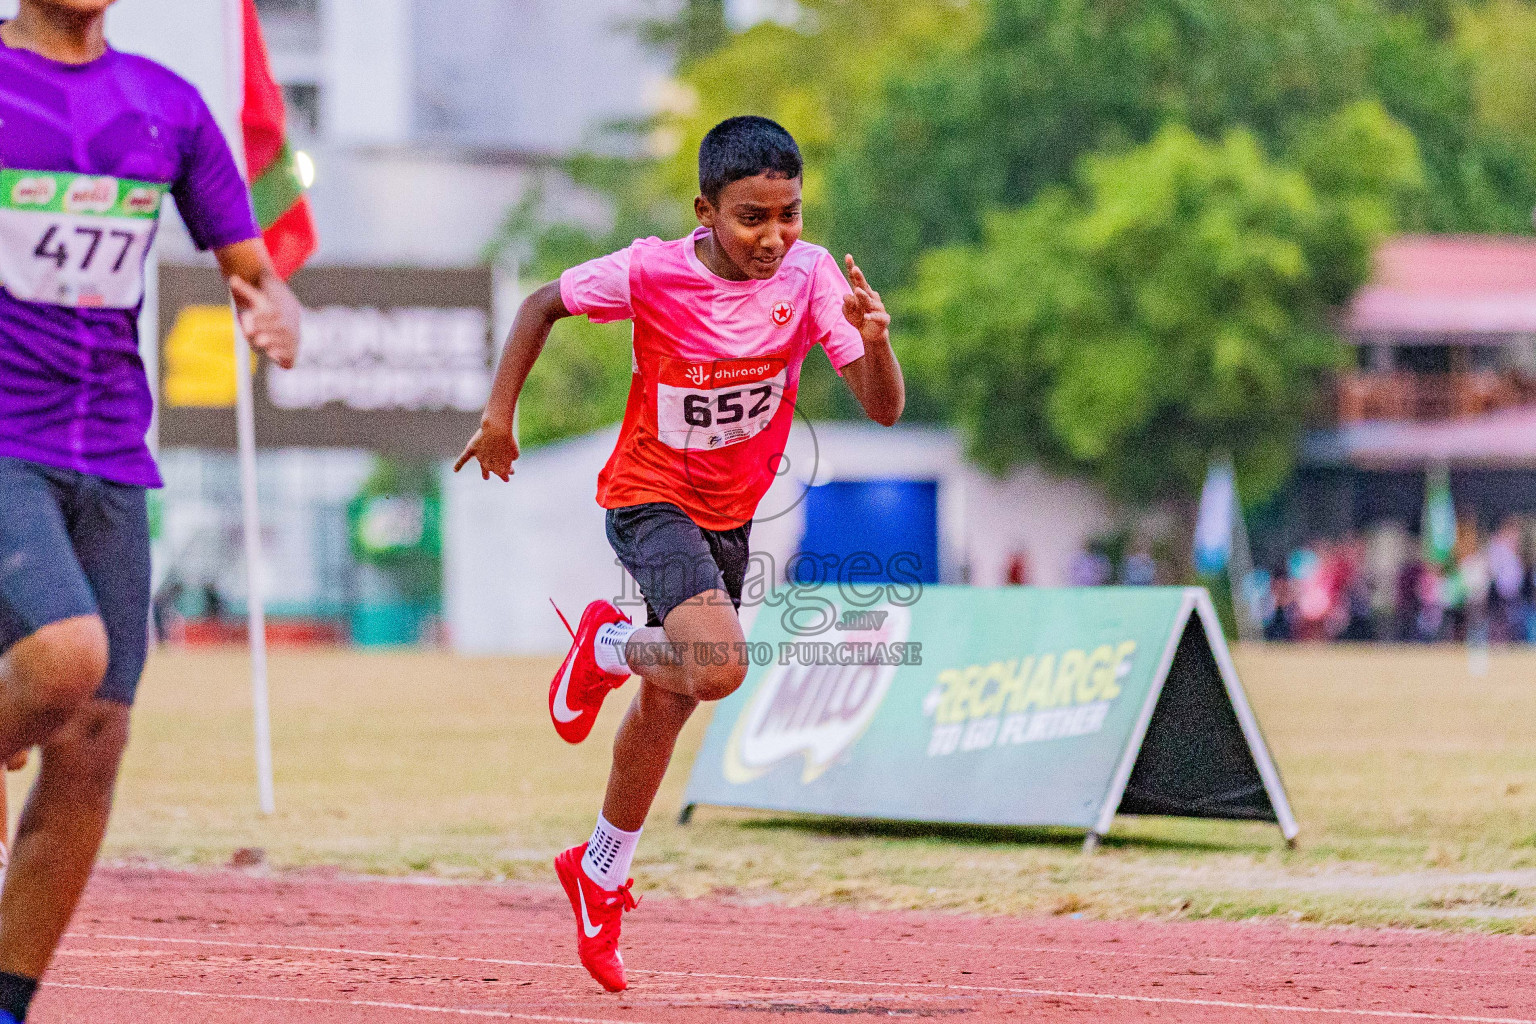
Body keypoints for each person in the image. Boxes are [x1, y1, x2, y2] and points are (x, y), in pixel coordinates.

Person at [456, 115, 904, 991]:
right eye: (751, 218)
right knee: (720, 666)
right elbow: (540, 302)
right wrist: (499, 417)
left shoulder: (813, 278)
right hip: (648, 497)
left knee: (671, 704)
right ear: (705, 210)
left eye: (790, 213)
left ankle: (600, 869)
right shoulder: (652, 271)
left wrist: (877, 341)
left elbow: (882, 407)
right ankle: (603, 645)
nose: (774, 237)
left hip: (730, 517)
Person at [0, 4, 301, 1021]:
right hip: (3, 444)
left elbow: (252, 268)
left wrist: (275, 311)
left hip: (111, 458)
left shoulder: (164, 106)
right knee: (63, 656)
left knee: (92, 740)